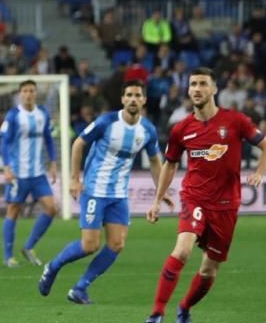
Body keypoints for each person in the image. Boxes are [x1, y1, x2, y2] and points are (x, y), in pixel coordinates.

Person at [144, 68, 266, 323]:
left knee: (208, 271)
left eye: (202, 84)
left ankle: (185, 307)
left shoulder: (235, 121)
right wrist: (158, 199)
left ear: (214, 89)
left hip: (226, 205)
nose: (196, 89)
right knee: (182, 249)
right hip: (194, 198)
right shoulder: (181, 129)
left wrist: (260, 172)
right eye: (192, 84)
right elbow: (169, 165)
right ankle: (157, 313)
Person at [38, 80, 174, 303]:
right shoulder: (107, 122)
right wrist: (74, 179)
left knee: (117, 244)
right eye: (129, 95)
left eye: (137, 95)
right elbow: (78, 144)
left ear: (144, 100)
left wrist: (162, 190)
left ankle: (80, 288)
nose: (133, 99)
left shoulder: (147, 129)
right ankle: (52, 266)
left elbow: (155, 161)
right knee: (89, 245)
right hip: (94, 190)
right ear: (122, 99)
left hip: (118, 195)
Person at [0, 80, 58, 267]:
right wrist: (6, 167)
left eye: (31, 90)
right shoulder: (13, 115)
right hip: (18, 173)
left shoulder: (43, 114)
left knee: (51, 208)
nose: (28, 94)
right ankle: (8, 256)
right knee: (13, 211)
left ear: (36, 93)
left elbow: (49, 139)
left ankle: (29, 247)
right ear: (19, 94)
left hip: (38, 173)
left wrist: (53, 163)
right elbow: (4, 143)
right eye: (25, 91)